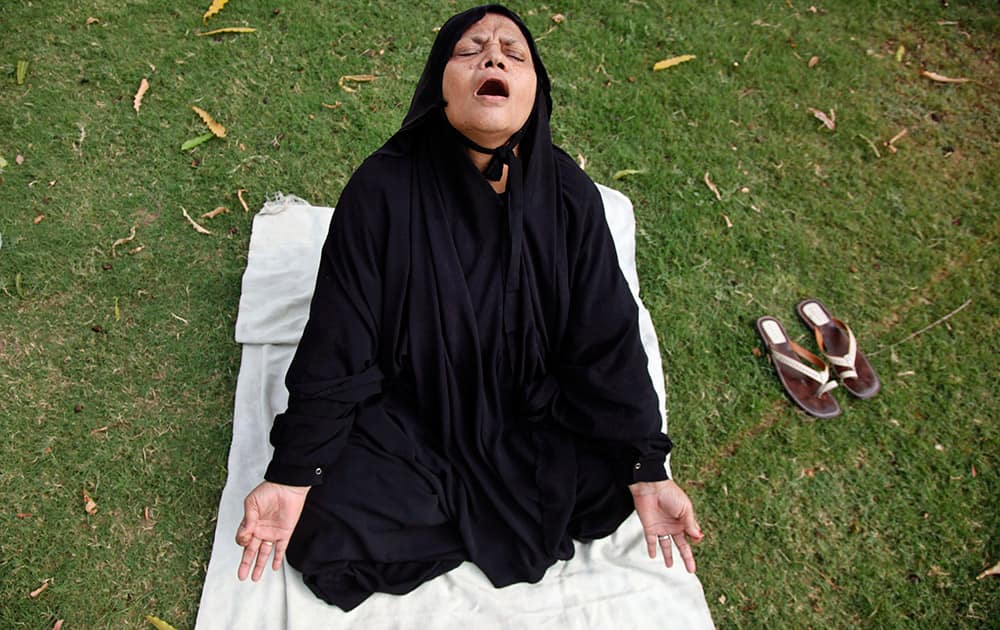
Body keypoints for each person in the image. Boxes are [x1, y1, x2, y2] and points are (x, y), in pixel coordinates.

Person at [235, 4, 703, 611]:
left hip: (536, 415)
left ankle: (475, 511)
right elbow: (337, 342)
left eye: (514, 53)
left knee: (611, 485)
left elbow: (607, 340)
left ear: (535, 90)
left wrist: (647, 464)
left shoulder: (570, 198)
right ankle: (475, 510)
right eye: (470, 50)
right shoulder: (381, 190)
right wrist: (293, 472)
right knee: (323, 525)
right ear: (440, 86)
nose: (493, 57)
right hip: (414, 416)